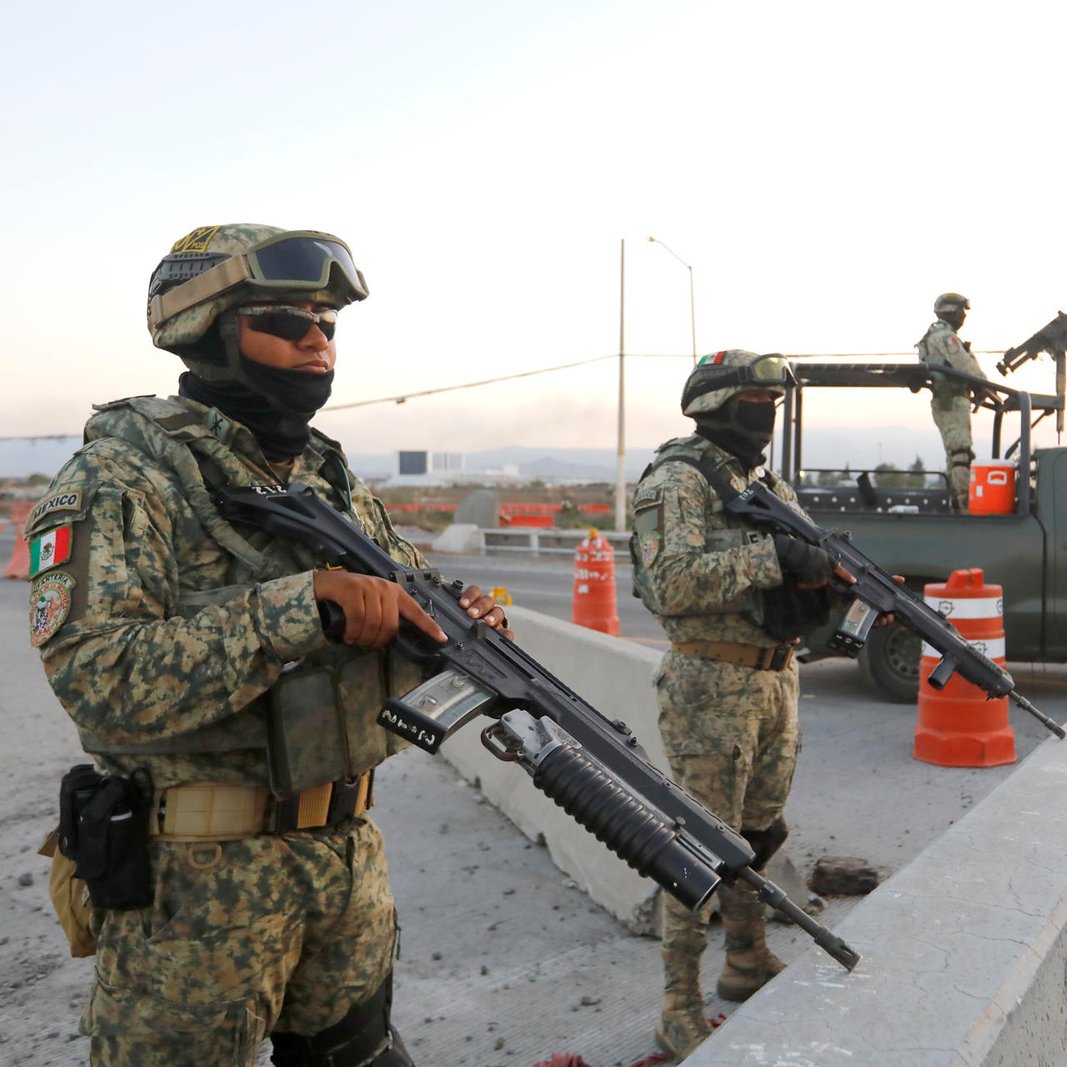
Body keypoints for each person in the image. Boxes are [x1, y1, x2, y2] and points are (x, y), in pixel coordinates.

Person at [27, 223, 510, 1066]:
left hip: (346, 862)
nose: (318, 343)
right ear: (207, 329)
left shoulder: (328, 480)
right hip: (194, 890)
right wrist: (301, 606)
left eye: (328, 323)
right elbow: (99, 677)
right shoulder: (124, 477)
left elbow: (404, 592)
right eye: (287, 322)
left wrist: (458, 615)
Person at [630, 350, 839, 1061]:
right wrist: (772, 559)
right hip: (709, 684)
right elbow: (671, 582)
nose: (766, 415)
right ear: (717, 405)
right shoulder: (679, 479)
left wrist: (831, 574)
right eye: (755, 402)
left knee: (758, 834)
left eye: (772, 403)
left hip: (775, 679)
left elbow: (808, 555)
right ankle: (678, 1005)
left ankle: (745, 959)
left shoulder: (765, 484)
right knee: (697, 849)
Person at [915, 292, 990, 512]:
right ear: (950, 310)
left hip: (947, 399)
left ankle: (957, 501)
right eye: (961, 310)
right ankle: (963, 503)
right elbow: (965, 366)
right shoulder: (946, 337)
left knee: (955, 453)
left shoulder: (933, 336)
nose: (963, 315)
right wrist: (984, 384)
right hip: (952, 400)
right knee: (960, 453)